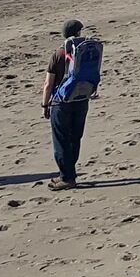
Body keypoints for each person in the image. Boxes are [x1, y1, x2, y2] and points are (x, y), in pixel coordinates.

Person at [43, 20, 93, 191]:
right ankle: (69, 173)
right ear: (79, 33)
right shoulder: (86, 50)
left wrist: (45, 105)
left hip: (61, 102)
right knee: (74, 138)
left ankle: (67, 178)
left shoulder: (58, 54)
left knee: (61, 140)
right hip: (81, 99)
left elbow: (48, 84)